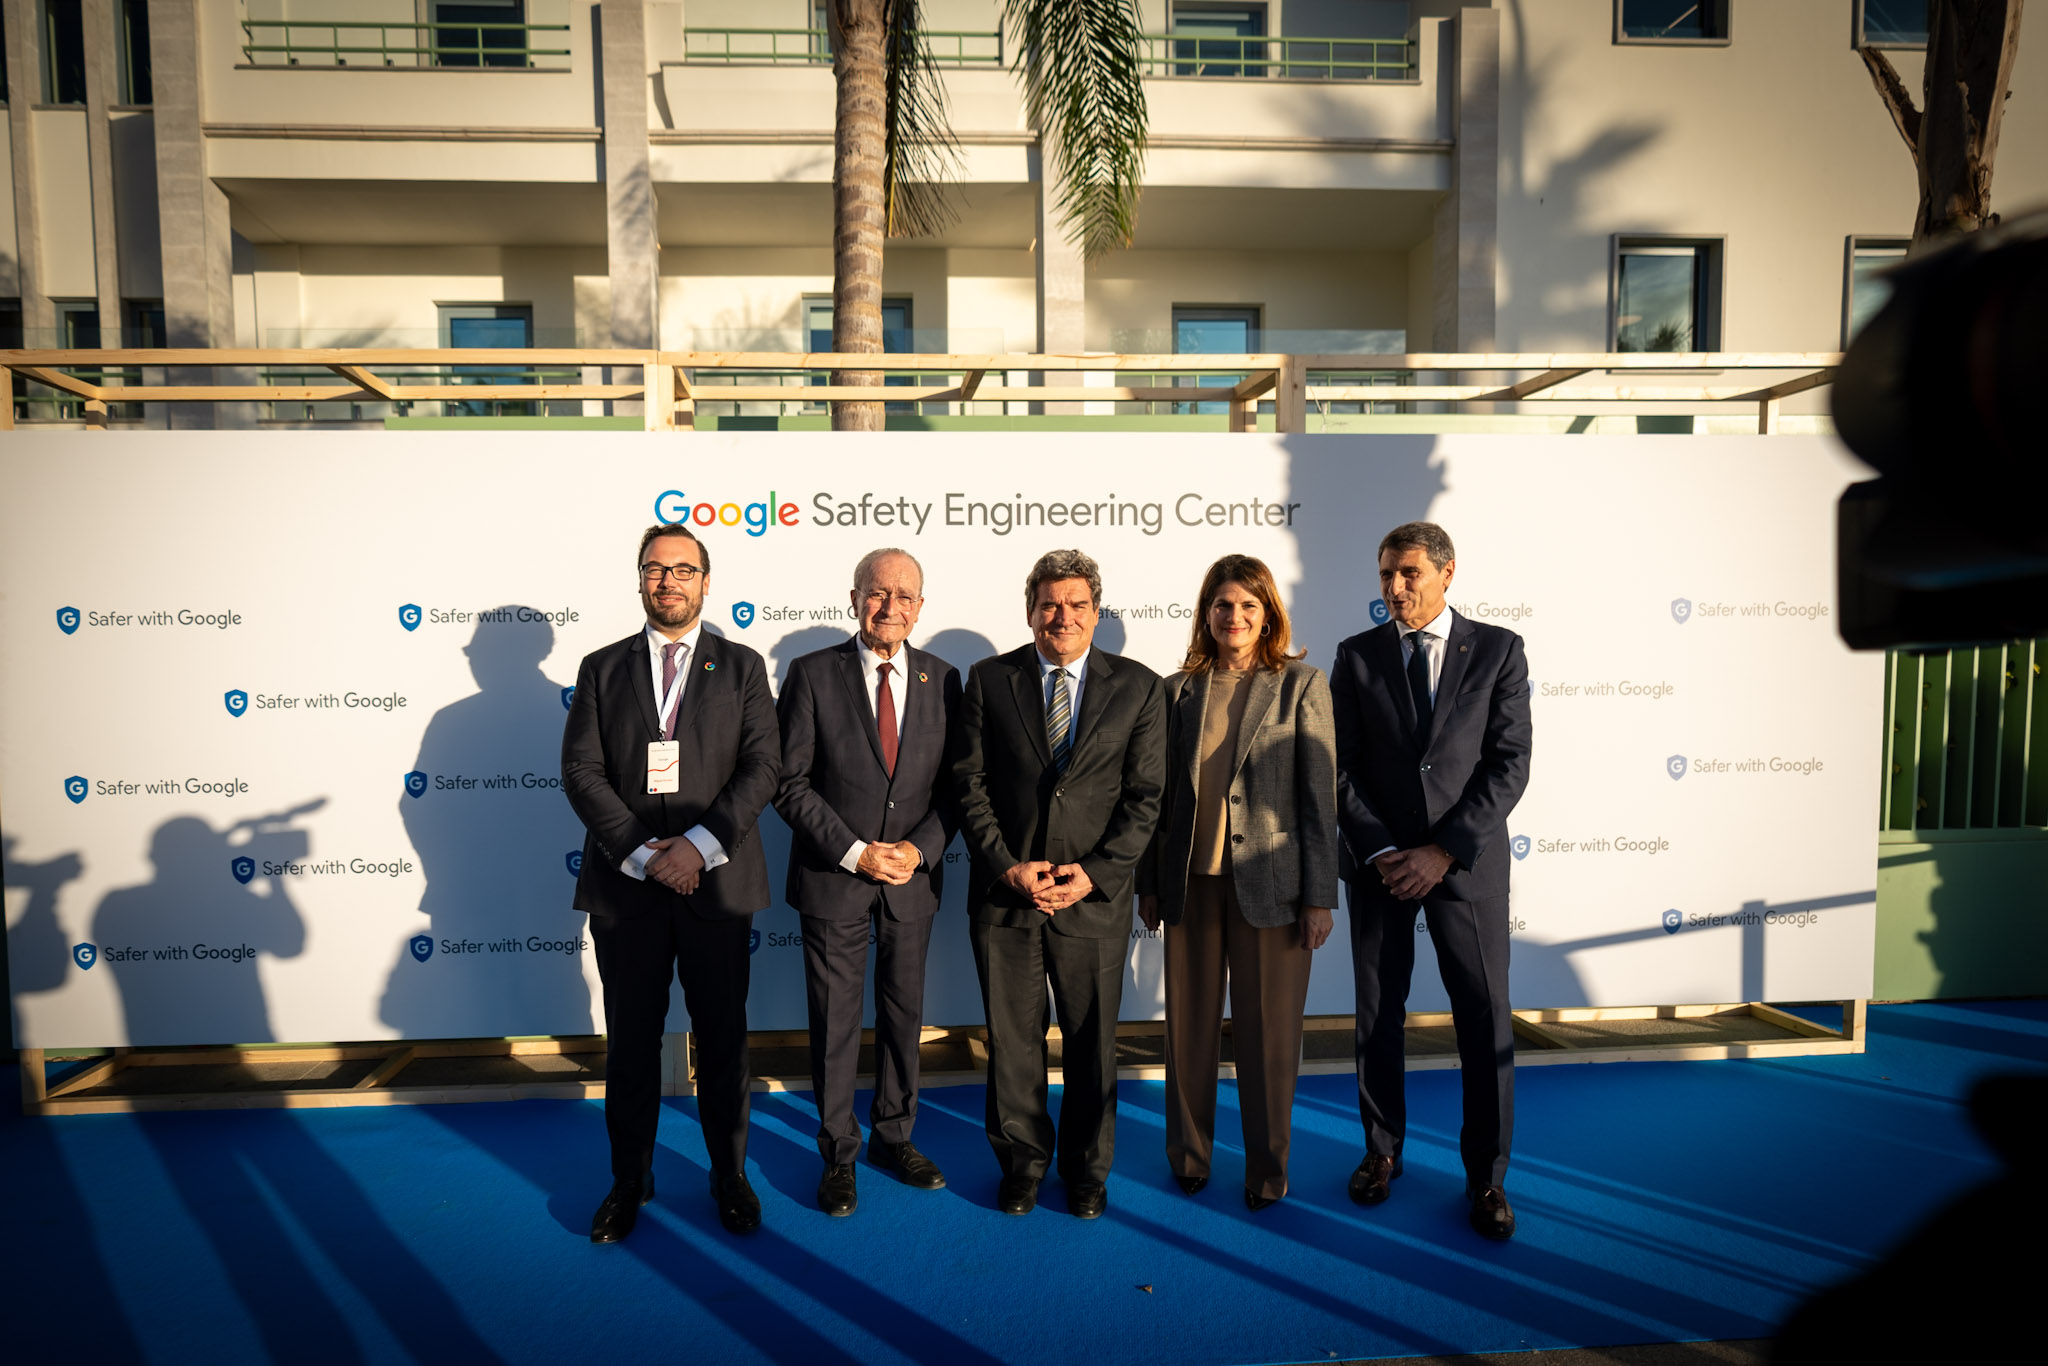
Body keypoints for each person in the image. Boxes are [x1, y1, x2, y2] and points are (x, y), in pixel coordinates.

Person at [562, 523, 781, 1242]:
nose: (669, 581)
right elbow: (583, 773)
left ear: (706, 581)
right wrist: (642, 852)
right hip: (626, 892)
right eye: (656, 569)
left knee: (723, 1044)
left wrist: (695, 847)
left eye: (684, 569)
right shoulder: (600, 668)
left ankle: (730, 1176)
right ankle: (631, 1181)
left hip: (714, 887)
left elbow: (762, 769)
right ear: (639, 579)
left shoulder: (743, 667)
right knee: (630, 1044)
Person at [1331, 521, 1531, 1240]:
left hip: (1465, 868)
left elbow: (1508, 764)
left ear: (1448, 573)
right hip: (1381, 867)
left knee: (1484, 1019)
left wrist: (1442, 852)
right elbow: (1339, 768)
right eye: (1386, 573)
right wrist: (1385, 850)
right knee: (1378, 1016)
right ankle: (1381, 1153)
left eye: (1409, 573)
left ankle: (1488, 1178)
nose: (1394, 588)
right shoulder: (1356, 656)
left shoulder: (1499, 650)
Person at [953, 549, 1166, 1219]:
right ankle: (1022, 1164)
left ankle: (1086, 1172)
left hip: (1092, 901)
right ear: (1030, 611)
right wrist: (1006, 866)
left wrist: (1094, 874)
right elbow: (969, 784)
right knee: (1012, 1045)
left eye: (1076, 604)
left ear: (1096, 612)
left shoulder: (1139, 686)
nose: (1062, 616)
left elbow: (1146, 797)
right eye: (1049, 604)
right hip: (1007, 896)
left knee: (1092, 1046)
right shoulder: (990, 680)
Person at [1139, 554, 1338, 1211]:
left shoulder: (1302, 685)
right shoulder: (1177, 691)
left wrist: (1319, 896)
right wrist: (1149, 884)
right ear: (1207, 612)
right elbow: (1158, 800)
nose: (1235, 617)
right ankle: (1191, 1157)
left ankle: (1267, 1172)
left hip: (1274, 890)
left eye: (1248, 606)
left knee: (1269, 1039)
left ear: (1269, 614)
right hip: (1191, 885)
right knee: (1189, 1034)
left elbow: (1318, 799)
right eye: (1223, 605)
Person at [774, 548, 963, 1217]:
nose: (890, 607)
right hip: (836, 879)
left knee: (904, 1017)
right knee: (834, 1025)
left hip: (911, 883)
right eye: (877, 594)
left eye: (904, 596)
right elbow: (787, 783)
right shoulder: (810, 674)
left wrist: (919, 849)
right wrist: (856, 852)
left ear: (920, 606)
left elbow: (957, 789)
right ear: (854, 599)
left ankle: (894, 1137)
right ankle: (838, 1154)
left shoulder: (944, 680)